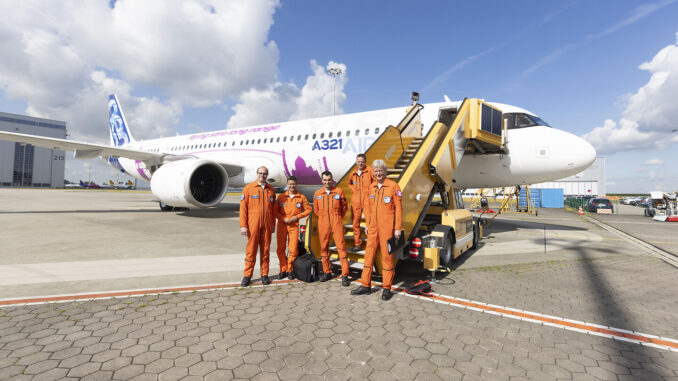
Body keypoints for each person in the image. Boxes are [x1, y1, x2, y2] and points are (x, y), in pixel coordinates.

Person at [351, 159, 402, 301]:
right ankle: (365, 285)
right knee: (368, 255)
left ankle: (387, 288)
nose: (378, 173)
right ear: (373, 172)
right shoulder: (372, 187)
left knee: (387, 257)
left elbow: (398, 209)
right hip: (373, 227)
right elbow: (368, 208)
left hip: (387, 228)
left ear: (385, 172)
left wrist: (397, 228)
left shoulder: (393, 186)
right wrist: (367, 224)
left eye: (381, 170)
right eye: (376, 171)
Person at [239, 166, 276, 287]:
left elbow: (273, 210)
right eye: (260, 173)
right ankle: (247, 275)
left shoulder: (271, 190)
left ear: (267, 175)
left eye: (265, 174)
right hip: (253, 225)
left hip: (267, 225)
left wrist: (273, 225)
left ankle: (264, 275)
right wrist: (243, 225)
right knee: (251, 250)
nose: (262, 175)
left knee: (265, 251)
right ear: (257, 174)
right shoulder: (248, 188)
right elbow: (243, 209)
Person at [313, 171, 351, 286]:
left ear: (332, 179)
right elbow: (316, 210)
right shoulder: (318, 193)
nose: (327, 182)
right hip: (323, 223)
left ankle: (345, 275)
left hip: (336, 222)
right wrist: (324, 217)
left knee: (341, 247)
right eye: (325, 180)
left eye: (329, 180)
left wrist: (337, 217)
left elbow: (344, 207)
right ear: (322, 180)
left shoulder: (339, 192)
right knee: (324, 248)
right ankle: (327, 272)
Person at [274, 176, 311, 280]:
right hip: (282, 225)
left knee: (293, 249)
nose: (292, 186)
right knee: (280, 249)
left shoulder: (301, 197)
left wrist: (297, 217)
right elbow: (274, 211)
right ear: (287, 184)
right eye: (290, 184)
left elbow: (308, 210)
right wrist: (283, 218)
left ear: (296, 184)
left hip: (294, 226)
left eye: (294, 184)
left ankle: (290, 270)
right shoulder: (281, 197)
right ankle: (283, 269)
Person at [347, 153, 375, 252]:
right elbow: (349, 183)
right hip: (355, 201)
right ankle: (357, 244)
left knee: (370, 222)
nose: (360, 163)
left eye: (362, 162)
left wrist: (371, 192)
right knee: (355, 223)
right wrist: (353, 190)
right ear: (356, 162)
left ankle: (371, 244)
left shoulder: (369, 170)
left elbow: (375, 181)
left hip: (367, 199)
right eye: (358, 161)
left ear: (365, 162)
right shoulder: (353, 173)